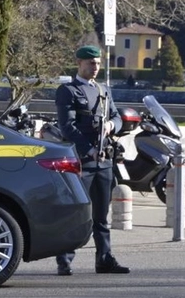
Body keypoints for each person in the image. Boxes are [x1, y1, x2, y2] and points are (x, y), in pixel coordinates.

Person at [54, 44, 129, 276]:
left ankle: (104, 259)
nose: (95, 67)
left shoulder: (104, 90)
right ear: (79, 63)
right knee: (77, 213)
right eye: (90, 63)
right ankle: (65, 260)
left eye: (97, 63)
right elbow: (68, 127)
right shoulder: (68, 90)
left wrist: (111, 125)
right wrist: (89, 150)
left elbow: (117, 117)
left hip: (104, 160)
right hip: (82, 161)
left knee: (101, 216)